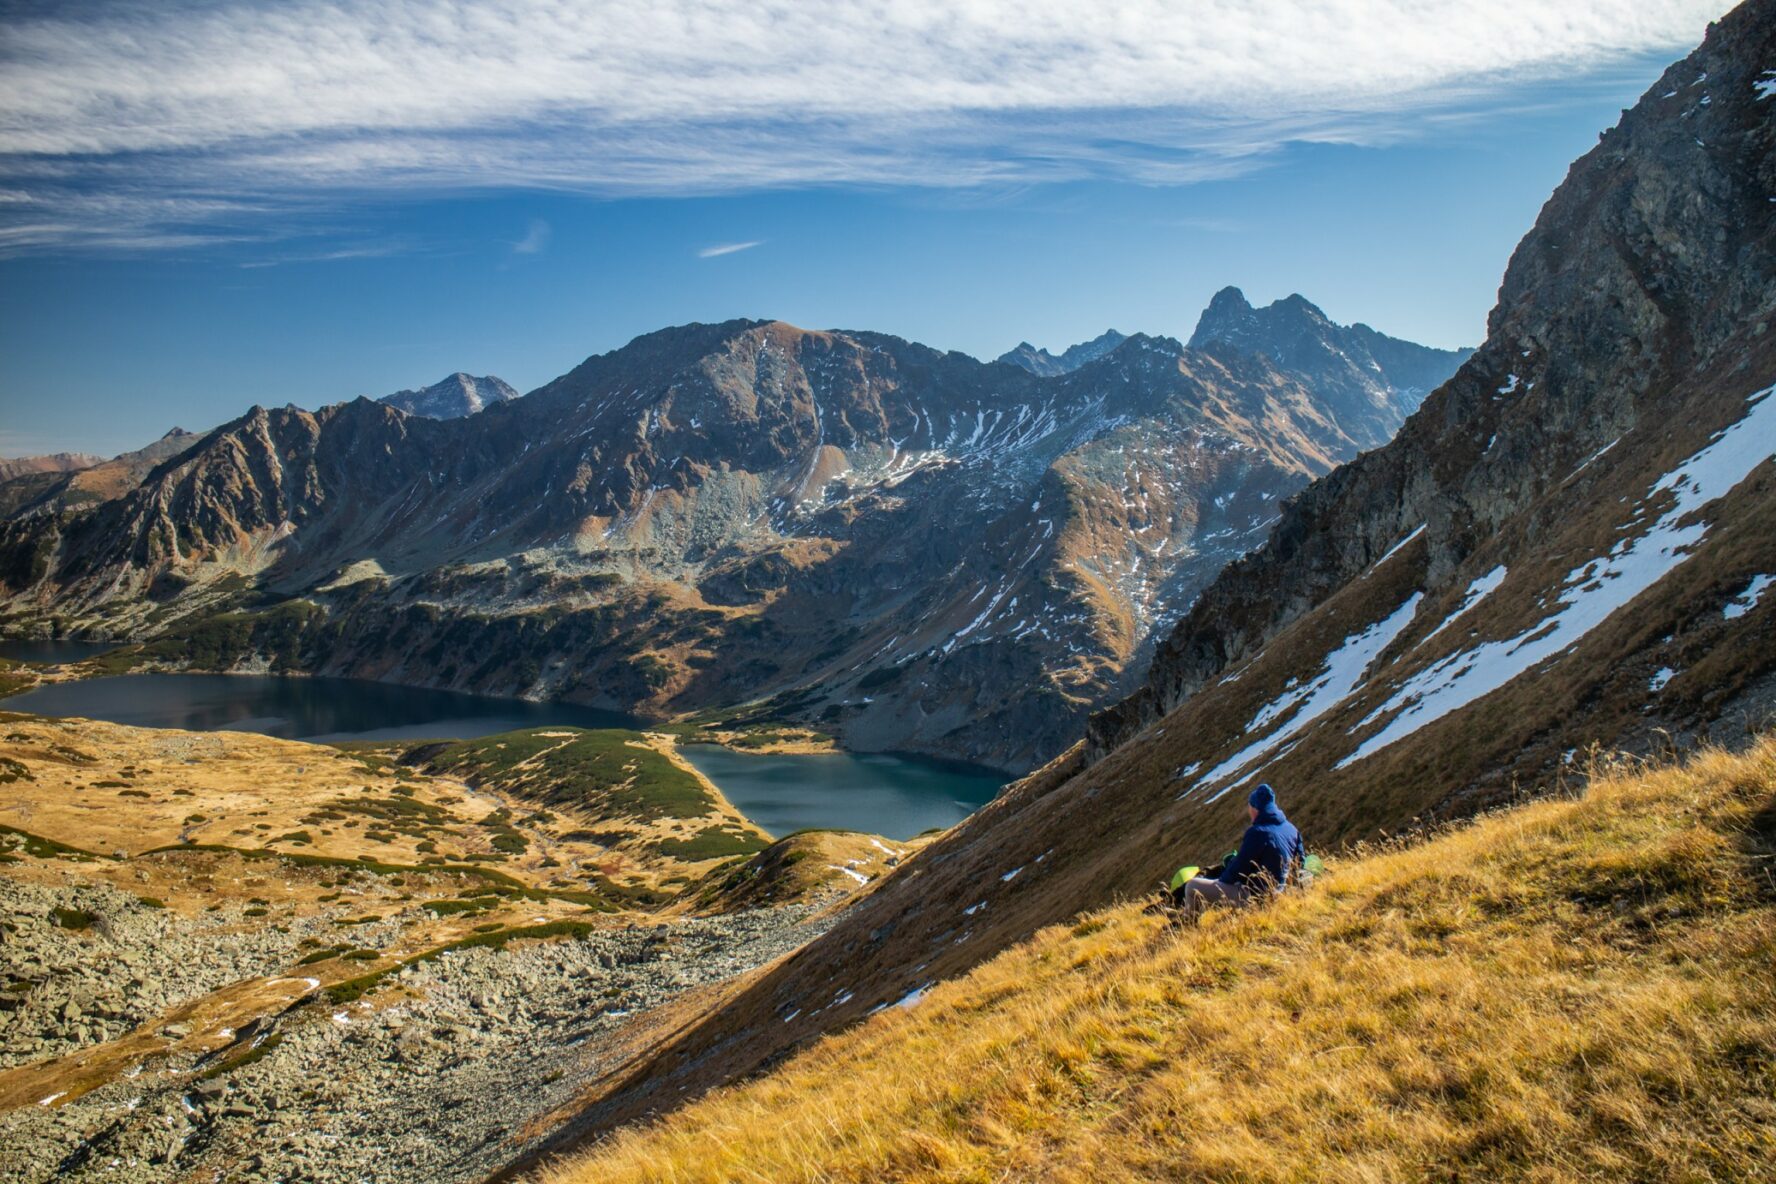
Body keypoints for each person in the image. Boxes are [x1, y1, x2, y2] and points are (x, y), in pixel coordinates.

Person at [1178, 783, 1303, 922]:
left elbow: (1237, 870)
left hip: (1258, 898)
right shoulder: (1292, 829)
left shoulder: (1257, 833)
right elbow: (1300, 863)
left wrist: (1222, 881)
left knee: (1192, 886)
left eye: (1250, 806)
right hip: (1283, 893)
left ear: (1255, 809)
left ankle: (1187, 923)